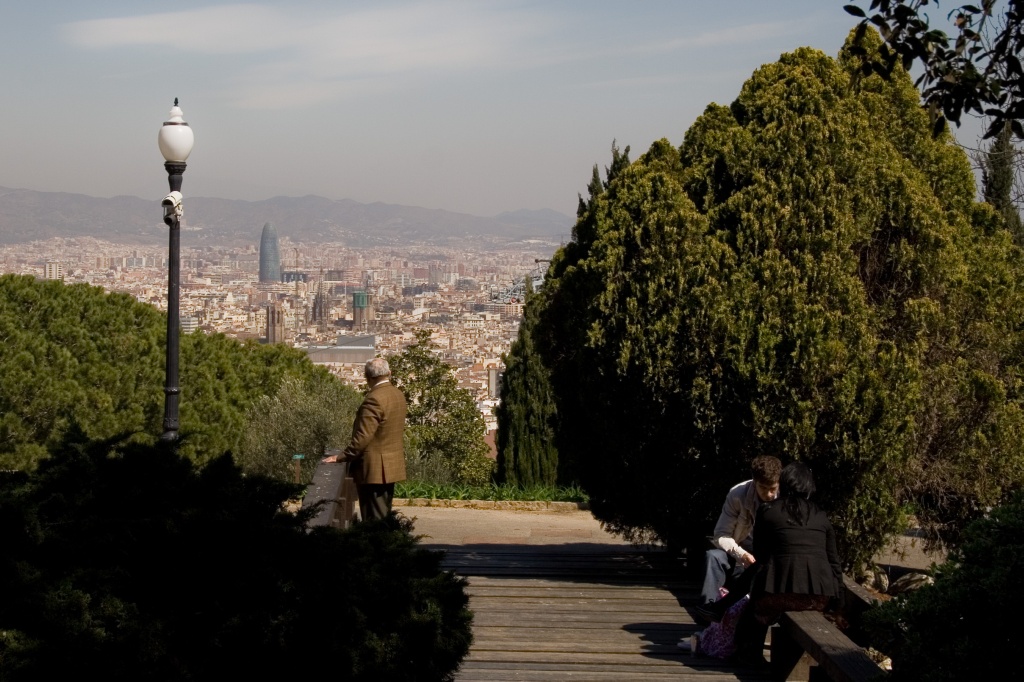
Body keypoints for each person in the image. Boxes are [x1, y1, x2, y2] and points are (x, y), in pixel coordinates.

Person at [732, 461, 843, 664]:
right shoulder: (821, 516)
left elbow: (761, 556)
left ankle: (749, 656)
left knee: (757, 607)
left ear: (782, 484)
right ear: (809, 487)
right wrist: (838, 598)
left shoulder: (768, 511)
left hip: (780, 594)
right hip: (818, 597)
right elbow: (833, 560)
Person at [694, 455, 782, 623]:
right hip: (740, 558)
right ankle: (707, 618)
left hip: (767, 565)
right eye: (763, 488)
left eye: (773, 488)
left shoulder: (784, 499)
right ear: (754, 481)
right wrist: (741, 554)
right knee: (713, 557)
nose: (769, 494)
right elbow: (721, 534)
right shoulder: (738, 494)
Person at [322, 357, 407, 521]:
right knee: (383, 514)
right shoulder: (397, 394)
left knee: (373, 517)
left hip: (373, 468)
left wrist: (341, 457)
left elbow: (363, 437)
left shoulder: (374, 399)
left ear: (367, 377)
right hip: (391, 464)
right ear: (389, 373)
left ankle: (376, 546)